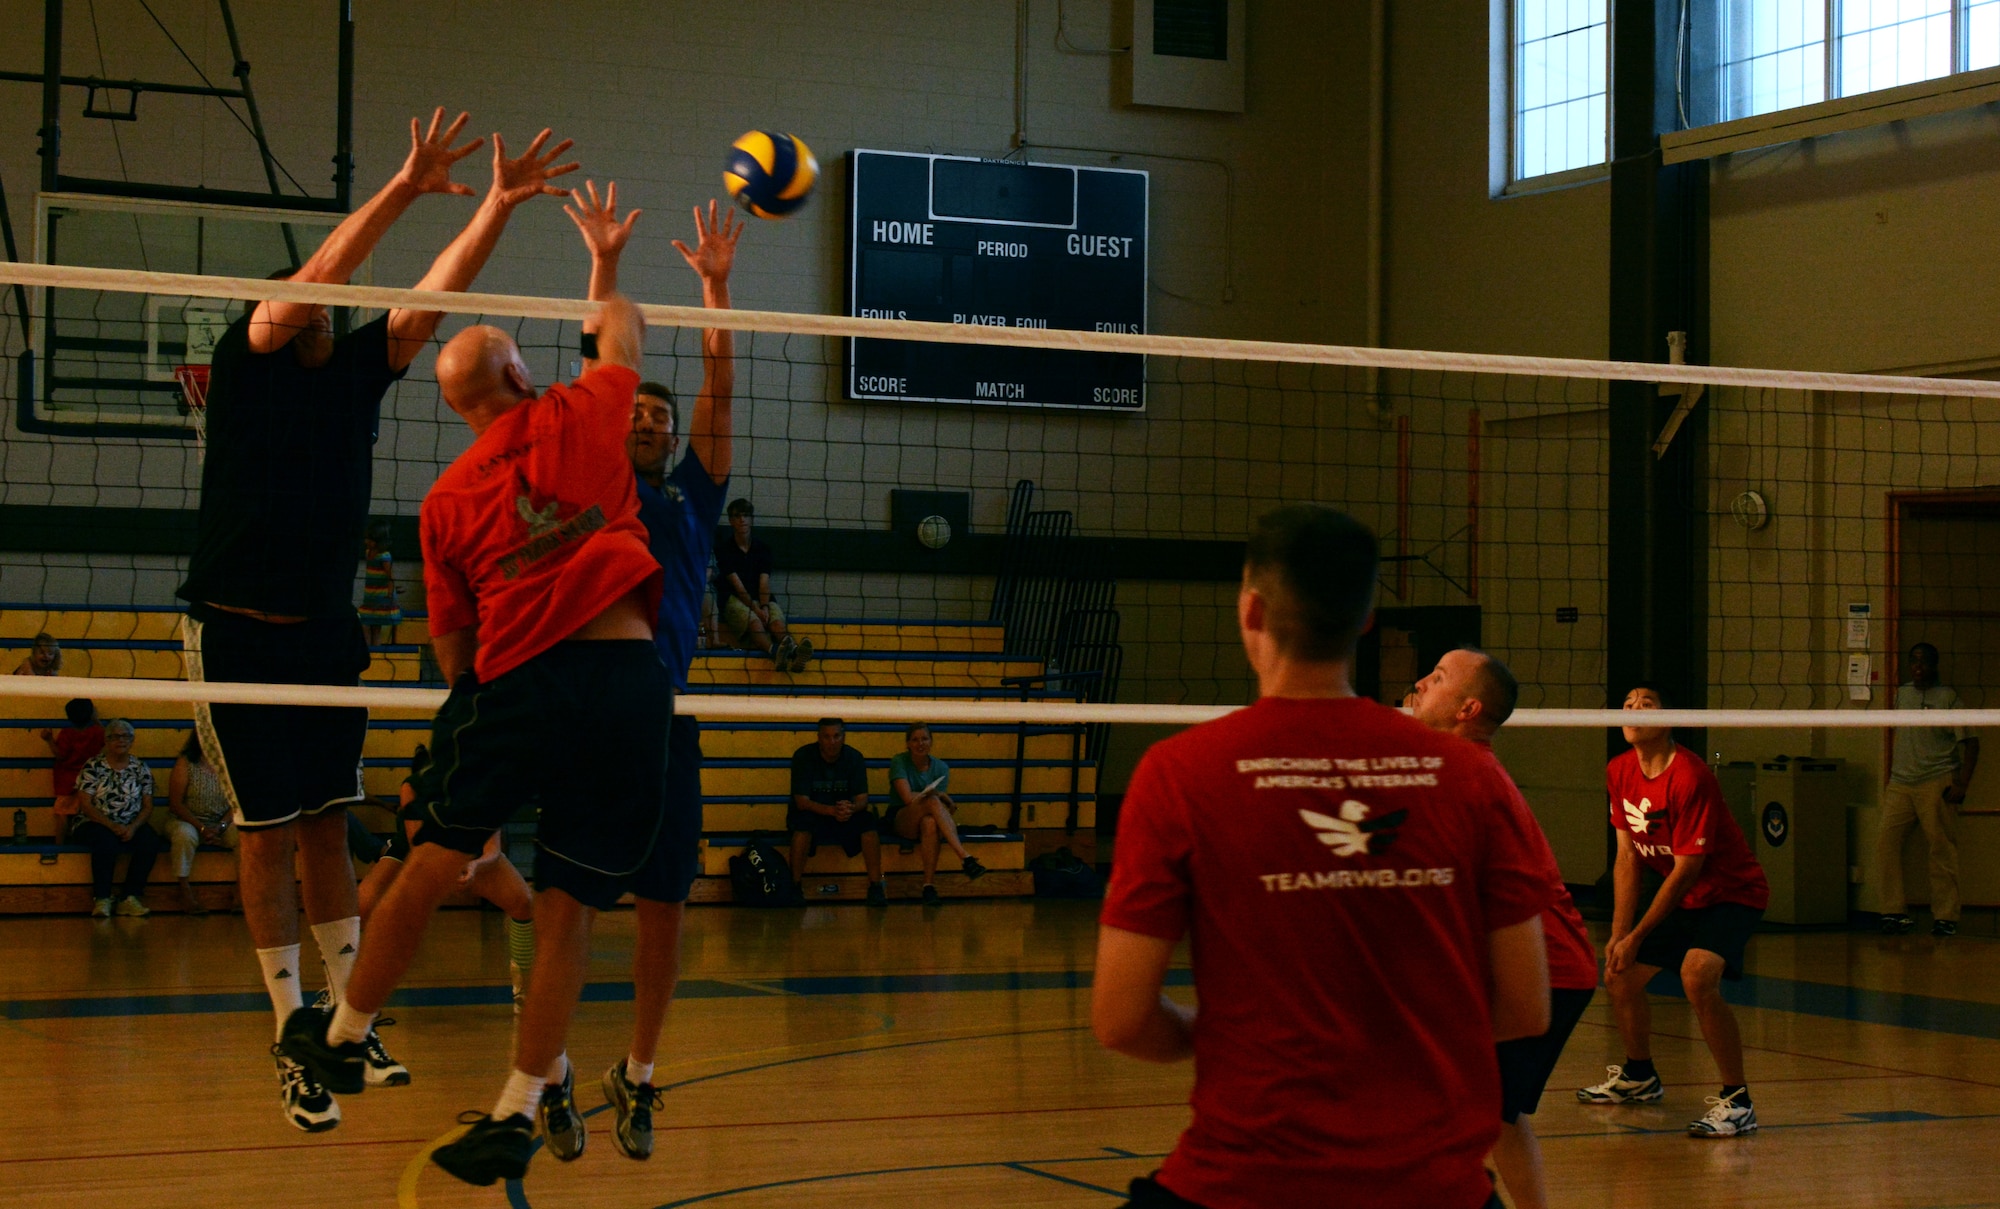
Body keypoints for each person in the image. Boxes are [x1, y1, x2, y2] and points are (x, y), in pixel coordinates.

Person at [175, 108, 575, 1133]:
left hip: (321, 633)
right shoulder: (247, 357)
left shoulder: (353, 373)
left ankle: (348, 1023)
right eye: (309, 300)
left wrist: (492, 202)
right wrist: (400, 186)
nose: (320, 308)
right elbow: (316, 279)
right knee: (264, 835)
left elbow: (432, 297)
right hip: (232, 629)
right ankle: (288, 1026)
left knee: (323, 828)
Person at [280, 277, 671, 1189]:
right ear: (522, 372)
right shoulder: (583, 409)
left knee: (431, 854)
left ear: (457, 406)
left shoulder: (446, 500)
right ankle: (518, 1108)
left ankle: (343, 1037)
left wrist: (483, 733)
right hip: (625, 685)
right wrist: (604, 264)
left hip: (517, 684)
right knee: (566, 907)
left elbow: (453, 649)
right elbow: (625, 326)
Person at [1093, 505, 1553, 1209]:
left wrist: (1208, 1031)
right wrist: (1394, 1031)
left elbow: (1121, 1019)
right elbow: (1525, 1005)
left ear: (1252, 610)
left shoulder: (1179, 773)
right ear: (1365, 618)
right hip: (1434, 1188)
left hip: (1244, 1182)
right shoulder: (1470, 777)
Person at [602, 194, 738, 1161]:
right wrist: (606, 269)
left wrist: (715, 288)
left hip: (667, 718)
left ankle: (639, 1076)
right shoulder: (586, 479)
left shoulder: (691, 496)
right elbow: (597, 363)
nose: (651, 420)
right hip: (582, 708)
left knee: (666, 906)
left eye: (660, 414)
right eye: (638, 411)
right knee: (556, 898)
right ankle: (543, 1073)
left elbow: (718, 396)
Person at [1407, 648, 1598, 1209]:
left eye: (1437, 678)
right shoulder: (1445, 766)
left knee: (1449, 1107)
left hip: (1546, 972)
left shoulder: (1469, 778)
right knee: (1497, 1116)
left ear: (1468, 709)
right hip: (1533, 968)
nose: (1419, 683)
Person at [1578, 684, 1770, 1139]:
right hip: (1681, 895)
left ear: (1671, 718)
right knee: (1620, 975)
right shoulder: (1618, 770)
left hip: (1731, 892)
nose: (1633, 710)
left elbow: (1686, 870)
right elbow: (1627, 858)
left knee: (1697, 976)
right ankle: (1640, 1076)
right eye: (1627, 705)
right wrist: (1619, 933)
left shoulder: (1691, 776)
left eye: (1647, 704)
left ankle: (1737, 1101)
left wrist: (1639, 934)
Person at [359, 745, 537, 1015]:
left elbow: (493, 850)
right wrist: (443, 871)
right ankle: (347, 990)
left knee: (524, 902)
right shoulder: (413, 787)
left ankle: (525, 990)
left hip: (469, 852)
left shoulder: (487, 787)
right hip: (415, 850)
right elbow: (417, 845)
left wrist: (474, 866)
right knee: (363, 902)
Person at [1877, 641, 1981, 938]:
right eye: (1914, 662)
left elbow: (1972, 742)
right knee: (1886, 843)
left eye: (1923, 662)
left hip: (1937, 780)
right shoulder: (1902, 695)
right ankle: (1893, 912)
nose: (1917, 667)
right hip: (1900, 783)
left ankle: (1946, 917)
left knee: (1941, 849)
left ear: (1934, 665)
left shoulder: (1949, 699)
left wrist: (1962, 782)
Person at [72, 719, 168, 918]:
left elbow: (148, 805)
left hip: (131, 822)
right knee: (104, 840)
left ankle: (130, 897)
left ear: (132, 740)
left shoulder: (140, 768)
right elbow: (86, 804)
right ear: (106, 741)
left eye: (125, 736)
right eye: (115, 736)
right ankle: (102, 898)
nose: (121, 740)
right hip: (94, 822)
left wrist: (133, 827)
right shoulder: (93, 766)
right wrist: (112, 825)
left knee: (150, 840)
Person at [888, 722, 988, 904]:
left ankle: (928, 886)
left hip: (928, 819)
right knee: (932, 800)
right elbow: (907, 798)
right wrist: (939, 794)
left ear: (931, 741)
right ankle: (965, 856)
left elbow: (938, 808)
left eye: (925, 739)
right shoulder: (899, 761)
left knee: (930, 823)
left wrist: (939, 799)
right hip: (901, 819)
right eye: (915, 740)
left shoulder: (941, 768)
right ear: (908, 744)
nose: (920, 744)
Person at [790, 718, 886, 906]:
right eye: (826, 737)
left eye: (836, 736)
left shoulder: (854, 757)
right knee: (801, 825)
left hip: (843, 815)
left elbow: (862, 799)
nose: (832, 742)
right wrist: (831, 810)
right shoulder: (803, 756)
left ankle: (876, 887)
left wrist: (850, 808)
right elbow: (801, 802)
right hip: (815, 814)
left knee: (868, 822)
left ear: (843, 737)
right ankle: (794, 887)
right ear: (819, 738)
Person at [715, 498, 810, 670]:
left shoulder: (762, 548)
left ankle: (796, 653)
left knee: (776, 622)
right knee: (754, 622)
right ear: (731, 521)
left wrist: (764, 606)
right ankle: (774, 653)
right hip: (734, 599)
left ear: (752, 519)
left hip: (760, 598)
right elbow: (738, 587)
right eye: (737, 516)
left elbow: (764, 582)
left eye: (746, 515)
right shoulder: (724, 550)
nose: (742, 520)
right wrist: (756, 609)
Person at [162, 733, 237, 916]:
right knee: (184, 835)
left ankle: (241, 891)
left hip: (222, 822)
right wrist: (201, 828)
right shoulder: (186, 763)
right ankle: (184, 889)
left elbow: (236, 802)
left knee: (244, 835)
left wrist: (220, 826)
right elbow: (176, 804)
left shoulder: (231, 763)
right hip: (186, 819)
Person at [39, 698, 103, 842]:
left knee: (63, 814)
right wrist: (96, 719)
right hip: (89, 779)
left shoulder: (67, 734)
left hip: (66, 780)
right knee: (86, 812)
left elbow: (60, 754)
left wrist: (49, 739)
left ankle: (59, 846)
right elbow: (106, 737)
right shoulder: (97, 732)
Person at [358, 519, 403, 647]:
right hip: (370, 595)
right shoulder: (368, 553)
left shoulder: (384, 556)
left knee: (373, 627)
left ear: (379, 541)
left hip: (381, 596)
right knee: (367, 623)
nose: (366, 541)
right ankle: (370, 652)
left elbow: (390, 576)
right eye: (366, 538)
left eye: (370, 539)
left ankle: (374, 654)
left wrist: (391, 592)